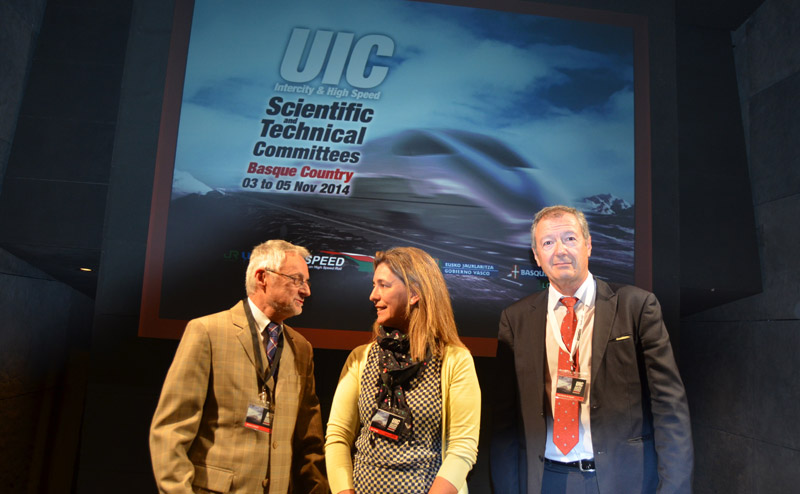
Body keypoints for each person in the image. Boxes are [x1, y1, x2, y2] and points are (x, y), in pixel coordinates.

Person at [491, 205, 693, 494]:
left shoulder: (636, 306)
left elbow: (669, 406)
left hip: (621, 481)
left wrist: (674, 488)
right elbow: (504, 423)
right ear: (536, 256)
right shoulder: (515, 319)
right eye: (548, 243)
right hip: (545, 480)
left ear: (588, 245)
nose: (560, 250)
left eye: (570, 239)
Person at [149, 240, 328, 493]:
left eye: (306, 282)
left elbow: (308, 441)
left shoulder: (301, 348)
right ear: (262, 277)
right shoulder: (207, 332)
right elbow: (171, 431)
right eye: (297, 280)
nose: (306, 291)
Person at [325, 247, 481, 494]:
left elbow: (462, 449)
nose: (373, 295)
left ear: (414, 294)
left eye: (383, 285)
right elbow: (337, 437)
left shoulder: (454, 360)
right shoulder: (362, 358)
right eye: (373, 285)